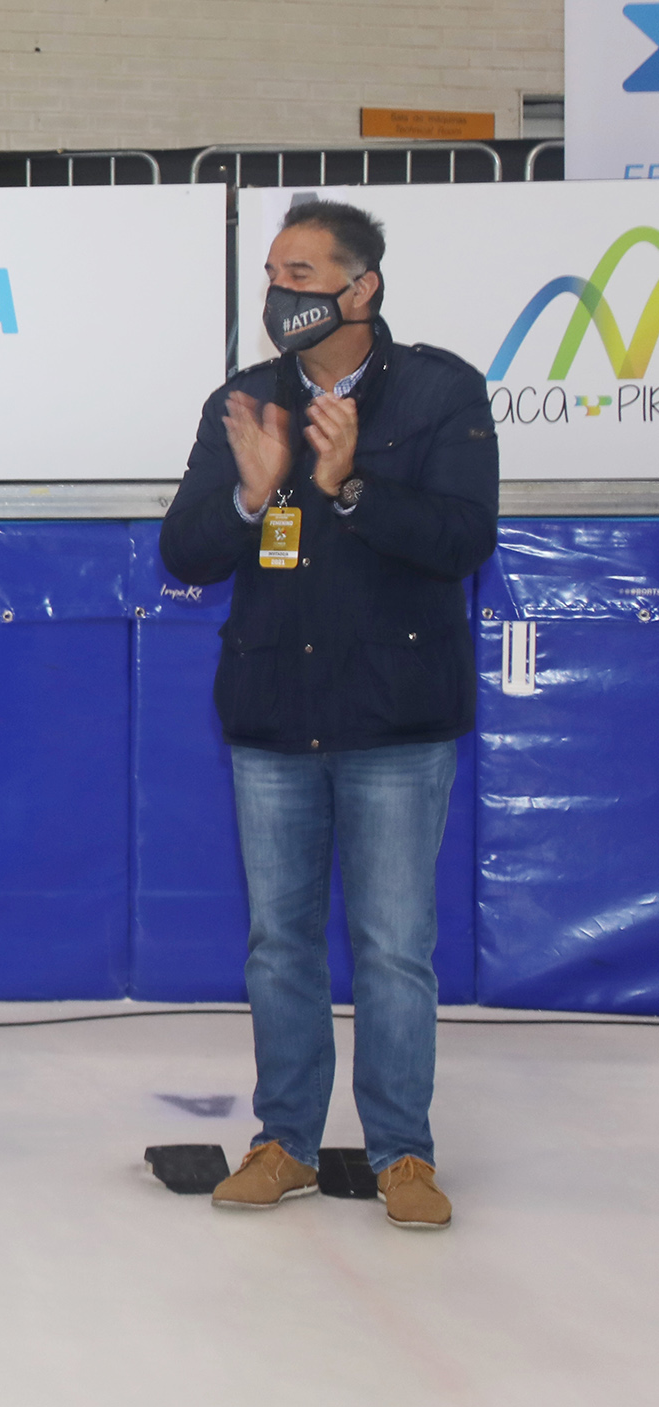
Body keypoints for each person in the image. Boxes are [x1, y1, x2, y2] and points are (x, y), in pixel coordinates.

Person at [160, 199, 497, 1230]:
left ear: (362, 287)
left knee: (394, 943)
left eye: (303, 273)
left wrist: (348, 486)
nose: (281, 292)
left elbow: (461, 539)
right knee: (279, 944)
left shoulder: (441, 391)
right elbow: (183, 554)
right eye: (274, 271)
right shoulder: (244, 399)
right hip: (271, 714)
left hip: (397, 718)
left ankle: (402, 1154)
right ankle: (286, 1142)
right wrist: (249, 499)